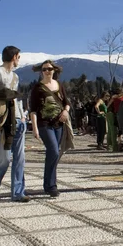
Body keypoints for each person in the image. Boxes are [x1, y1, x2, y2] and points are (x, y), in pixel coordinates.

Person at [0, 46, 29, 202]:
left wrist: (22, 116)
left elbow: (15, 99)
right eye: (19, 57)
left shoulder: (15, 77)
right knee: (4, 159)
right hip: (3, 121)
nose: (19, 60)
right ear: (14, 57)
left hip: (17, 119)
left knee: (20, 158)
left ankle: (18, 193)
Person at [30, 60, 72, 197]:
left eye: (49, 68)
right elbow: (33, 110)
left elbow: (67, 103)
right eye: (44, 69)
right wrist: (35, 128)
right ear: (41, 72)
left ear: (54, 70)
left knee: (54, 154)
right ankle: (51, 185)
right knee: (53, 151)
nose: (47, 71)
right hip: (44, 124)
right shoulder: (37, 88)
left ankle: (49, 185)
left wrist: (66, 111)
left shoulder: (59, 85)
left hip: (58, 124)